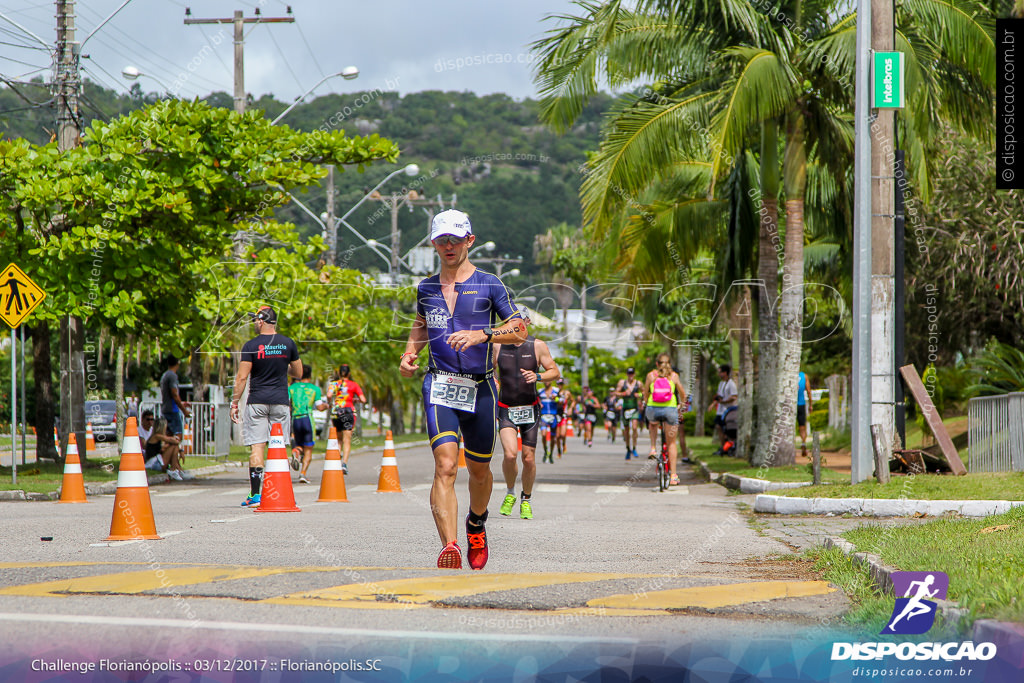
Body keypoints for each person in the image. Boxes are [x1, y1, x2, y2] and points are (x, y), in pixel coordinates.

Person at [399, 209, 526, 570]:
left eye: (456, 239)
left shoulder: (490, 284)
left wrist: (482, 334)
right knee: (445, 465)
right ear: (434, 243)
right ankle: (449, 545)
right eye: (442, 240)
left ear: (470, 240)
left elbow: (519, 330)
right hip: (438, 384)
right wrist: (409, 354)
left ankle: (475, 524)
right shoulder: (425, 288)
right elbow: (420, 328)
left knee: (480, 471)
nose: (449, 246)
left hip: (481, 388)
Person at [230, 305, 302, 507]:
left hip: (257, 401)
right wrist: (280, 364)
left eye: (255, 320)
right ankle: (281, 486)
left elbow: (242, 377)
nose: (254, 323)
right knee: (278, 446)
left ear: (261, 321)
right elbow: (298, 372)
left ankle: (255, 495)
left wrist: (234, 403)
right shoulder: (288, 344)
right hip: (280, 401)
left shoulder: (251, 345)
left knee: (257, 446)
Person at [493, 314, 560, 521]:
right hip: (506, 408)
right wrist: (494, 384)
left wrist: (538, 376)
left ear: (528, 323)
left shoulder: (537, 346)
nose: (516, 326)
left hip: (530, 409)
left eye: (521, 322)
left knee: (528, 458)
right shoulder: (497, 346)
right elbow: (491, 373)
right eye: (512, 322)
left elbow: (555, 372)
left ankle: (526, 500)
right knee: (511, 455)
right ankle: (511, 492)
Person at [643, 352, 688, 486]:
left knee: (652, 423)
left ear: (657, 364)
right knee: (672, 443)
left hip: (653, 409)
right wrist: (681, 405)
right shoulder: (674, 376)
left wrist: (647, 404)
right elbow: (682, 394)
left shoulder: (651, 375)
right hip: (670, 410)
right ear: (669, 364)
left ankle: (652, 448)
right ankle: (673, 475)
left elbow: (646, 394)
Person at [289, 363, 328, 484]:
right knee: (309, 448)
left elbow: (287, 404)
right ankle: (303, 474)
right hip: (308, 420)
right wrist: (327, 405)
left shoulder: (292, 388)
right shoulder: (314, 389)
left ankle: (296, 451)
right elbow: (320, 407)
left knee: (299, 444)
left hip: (295, 419)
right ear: (310, 376)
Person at [326, 363, 366, 475]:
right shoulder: (354, 385)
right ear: (349, 373)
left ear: (339, 373)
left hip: (336, 412)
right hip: (348, 412)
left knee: (338, 439)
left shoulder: (334, 384)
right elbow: (363, 399)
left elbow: (329, 395)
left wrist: (330, 403)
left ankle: (337, 463)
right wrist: (355, 399)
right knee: (347, 440)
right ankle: (344, 464)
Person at [708, 364, 738, 455]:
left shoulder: (731, 384)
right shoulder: (721, 383)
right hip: (720, 410)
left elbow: (734, 396)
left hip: (728, 410)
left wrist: (724, 401)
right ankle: (723, 447)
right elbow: (718, 396)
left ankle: (728, 447)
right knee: (719, 427)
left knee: (727, 430)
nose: (719, 374)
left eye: (720, 372)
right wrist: (713, 404)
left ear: (725, 373)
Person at [615, 367, 643, 460]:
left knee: (634, 428)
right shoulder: (622, 383)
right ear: (627, 374)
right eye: (629, 373)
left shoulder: (638, 383)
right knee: (626, 430)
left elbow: (644, 392)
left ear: (634, 374)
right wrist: (623, 393)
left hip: (634, 408)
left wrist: (639, 395)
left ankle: (634, 447)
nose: (630, 375)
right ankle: (628, 448)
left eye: (632, 374)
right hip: (625, 408)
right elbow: (616, 392)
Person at [160, 355, 191, 438]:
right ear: (177, 364)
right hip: (172, 411)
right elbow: (174, 394)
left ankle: (169, 450)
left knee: (169, 436)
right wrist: (184, 411)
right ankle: (176, 450)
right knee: (178, 436)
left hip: (166, 409)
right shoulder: (172, 375)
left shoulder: (165, 375)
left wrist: (181, 403)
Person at [537, 380, 560, 464]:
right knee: (543, 434)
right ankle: (546, 451)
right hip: (544, 416)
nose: (546, 382)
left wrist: (556, 398)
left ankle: (551, 453)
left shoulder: (556, 390)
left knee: (553, 437)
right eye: (545, 381)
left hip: (553, 416)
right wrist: (539, 404)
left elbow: (561, 401)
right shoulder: (540, 391)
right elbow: (537, 400)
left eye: (548, 380)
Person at [555, 380, 574, 458]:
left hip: (564, 415)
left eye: (561, 384)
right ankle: (559, 452)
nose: (560, 385)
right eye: (559, 384)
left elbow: (573, 401)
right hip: (556, 415)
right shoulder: (554, 393)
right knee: (557, 436)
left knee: (562, 434)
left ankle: (564, 444)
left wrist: (571, 408)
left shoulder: (567, 393)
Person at [797, 370, 813, 454]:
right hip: (801, 404)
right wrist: (811, 404)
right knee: (802, 426)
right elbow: (809, 391)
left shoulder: (789, 375)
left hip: (790, 405)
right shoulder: (804, 376)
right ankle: (803, 442)